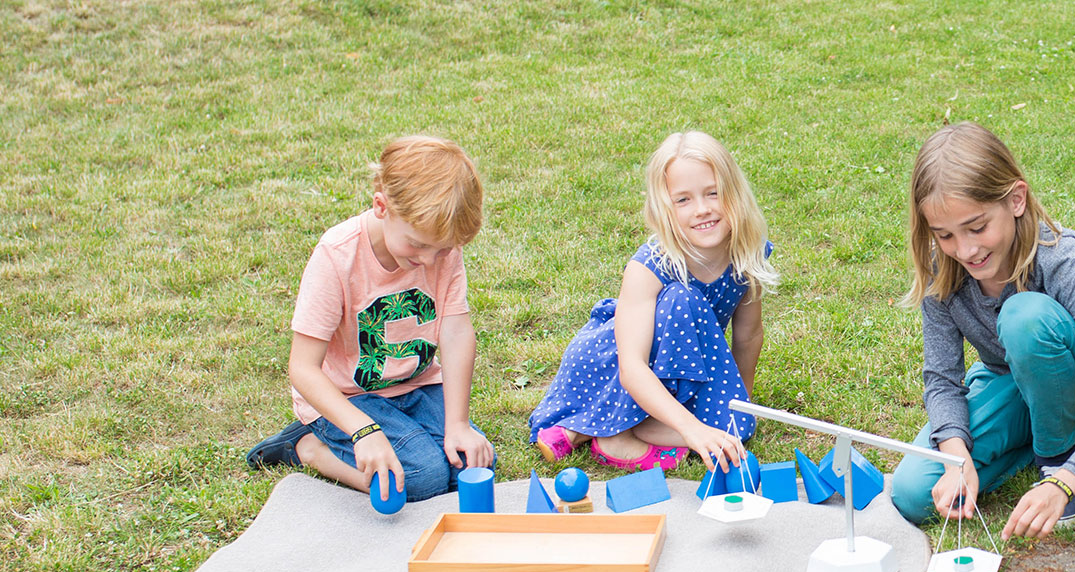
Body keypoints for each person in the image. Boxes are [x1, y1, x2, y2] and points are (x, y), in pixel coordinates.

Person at [888, 122, 1075, 538]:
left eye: (977, 227)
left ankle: (1064, 454)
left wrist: (1063, 480)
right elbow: (941, 380)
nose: (966, 250)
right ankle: (1071, 444)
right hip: (1014, 382)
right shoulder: (943, 269)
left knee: (1024, 318)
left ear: (1015, 199)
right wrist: (958, 459)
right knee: (913, 491)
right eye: (945, 235)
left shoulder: (1066, 262)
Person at [244, 135, 494, 504]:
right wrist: (363, 431)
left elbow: (456, 332)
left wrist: (457, 424)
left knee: (474, 466)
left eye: (442, 250)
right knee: (422, 478)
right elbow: (302, 368)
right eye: (418, 245)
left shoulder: (442, 250)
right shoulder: (337, 256)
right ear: (382, 206)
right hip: (348, 398)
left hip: (415, 386)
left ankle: (400, 441)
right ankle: (310, 448)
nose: (429, 261)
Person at [526, 131, 776, 473]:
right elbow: (632, 368)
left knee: (738, 430)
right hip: (620, 364)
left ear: (734, 192)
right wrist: (692, 430)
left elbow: (747, 336)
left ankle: (605, 428)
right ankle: (615, 434)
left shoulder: (747, 252)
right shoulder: (649, 267)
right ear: (664, 208)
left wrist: (739, 402)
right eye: (683, 200)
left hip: (686, 362)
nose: (702, 209)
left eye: (713, 193)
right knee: (681, 299)